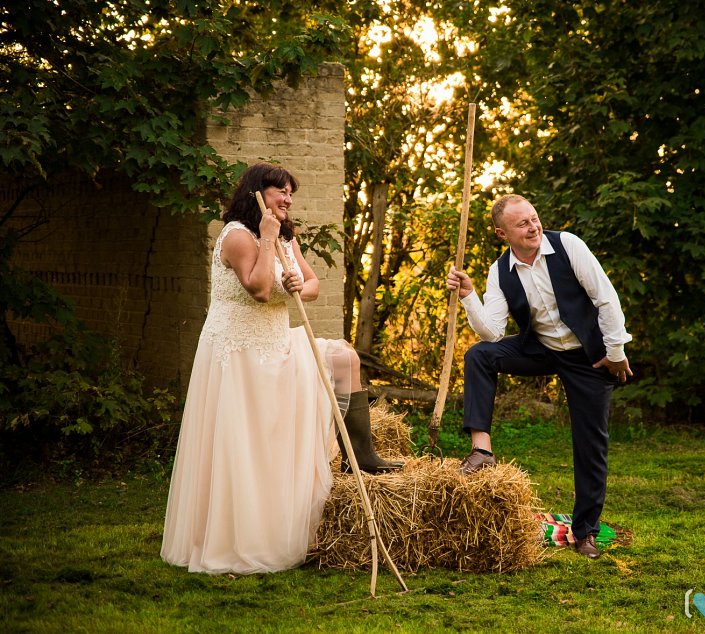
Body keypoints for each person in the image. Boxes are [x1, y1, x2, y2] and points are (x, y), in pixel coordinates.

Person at [161, 163, 400, 575]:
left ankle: (360, 456)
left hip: (277, 341)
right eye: (280, 192)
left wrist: (298, 286)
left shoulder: (288, 238)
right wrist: (268, 238)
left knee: (345, 358)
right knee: (247, 441)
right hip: (240, 349)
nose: (288, 199)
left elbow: (313, 285)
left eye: (291, 192)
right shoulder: (237, 236)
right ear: (257, 193)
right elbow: (258, 288)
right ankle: (240, 534)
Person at [446, 194, 632, 560]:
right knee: (479, 355)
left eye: (534, 218)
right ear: (502, 233)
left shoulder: (568, 246)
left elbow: (606, 299)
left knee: (590, 443)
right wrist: (469, 296)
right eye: (522, 224)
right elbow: (492, 333)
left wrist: (615, 353)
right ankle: (482, 450)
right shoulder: (500, 271)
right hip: (541, 349)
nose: (533, 227)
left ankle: (585, 532)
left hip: (587, 357)